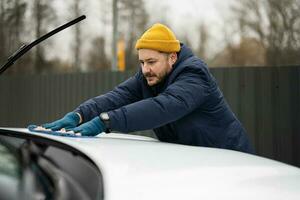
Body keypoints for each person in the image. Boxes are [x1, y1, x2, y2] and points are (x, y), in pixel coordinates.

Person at [42, 23, 254, 154]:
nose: (145, 69)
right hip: (197, 159)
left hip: (231, 159)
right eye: (142, 62)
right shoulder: (150, 76)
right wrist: (79, 115)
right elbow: (118, 97)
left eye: (151, 62)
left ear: (172, 57)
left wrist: (105, 121)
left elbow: (163, 107)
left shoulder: (194, 76)